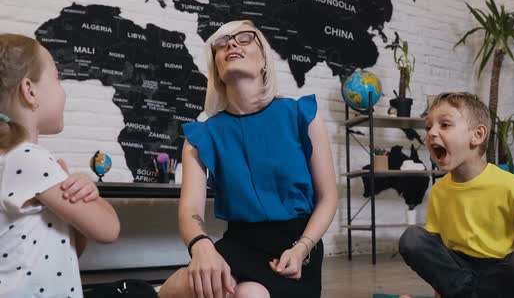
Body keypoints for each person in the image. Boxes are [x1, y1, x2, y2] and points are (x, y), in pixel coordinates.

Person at [158, 20, 338, 298]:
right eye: (222, 43)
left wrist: (303, 247)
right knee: (181, 287)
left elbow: (328, 198)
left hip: (296, 247)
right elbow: (190, 208)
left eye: (244, 38)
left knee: (250, 294)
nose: (231, 44)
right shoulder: (202, 135)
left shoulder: (303, 115)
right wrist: (201, 246)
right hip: (239, 243)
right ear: (216, 68)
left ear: (264, 60)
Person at [398, 92, 514, 298]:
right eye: (428, 127)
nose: (431, 133)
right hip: (462, 272)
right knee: (412, 239)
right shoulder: (439, 190)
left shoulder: (510, 185)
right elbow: (440, 257)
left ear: (478, 135)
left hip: (503, 272)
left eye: (444, 125)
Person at [0, 34, 120, 297]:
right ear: (29, 91)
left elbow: (69, 249)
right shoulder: (28, 159)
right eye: (57, 78)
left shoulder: (12, 159)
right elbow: (109, 229)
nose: (62, 88)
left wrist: (79, 200)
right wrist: (94, 200)